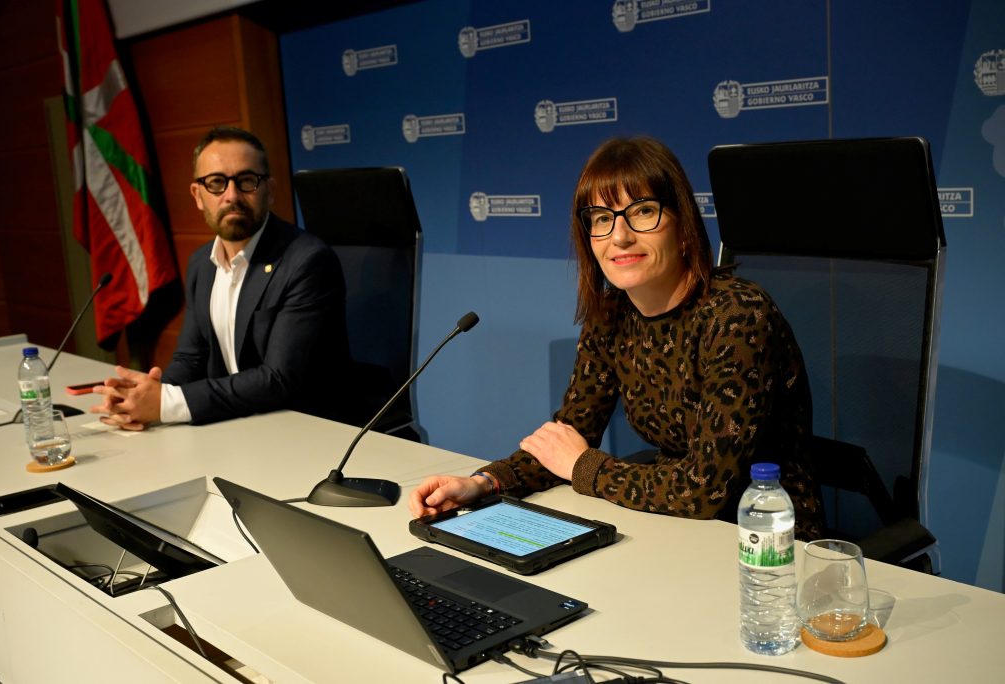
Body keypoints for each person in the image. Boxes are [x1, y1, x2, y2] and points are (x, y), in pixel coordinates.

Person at [409, 136, 823, 540]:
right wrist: (483, 483)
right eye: (602, 218)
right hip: (670, 527)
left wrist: (584, 466)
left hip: (767, 540)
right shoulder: (612, 315)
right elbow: (567, 438)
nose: (620, 236)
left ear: (683, 228)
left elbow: (704, 490)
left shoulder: (737, 316)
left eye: (643, 212)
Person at [91, 126, 353, 428]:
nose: (232, 196)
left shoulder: (307, 261)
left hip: (306, 428)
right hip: (237, 423)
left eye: (247, 181)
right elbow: (190, 358)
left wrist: (166, 404)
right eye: (216, 182)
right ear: (197, 195)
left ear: (269, 190)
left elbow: (279, 379)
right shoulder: (202, 263)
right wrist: (144, 396)